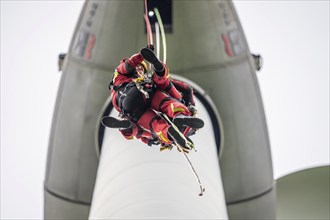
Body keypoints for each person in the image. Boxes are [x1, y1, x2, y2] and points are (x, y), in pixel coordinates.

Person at [108, 47, 204, 149]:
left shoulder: (119, 84)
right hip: (138, 92)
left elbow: (141, 135)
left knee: (154, 125)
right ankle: (160, 71)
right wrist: (141, 55)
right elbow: (128, 65)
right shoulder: (120, 77)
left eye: (142, 69)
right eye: (138, 68)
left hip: (132, 109)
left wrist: (148, 142)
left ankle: (169, 131)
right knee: (168, 102)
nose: (139, 70)